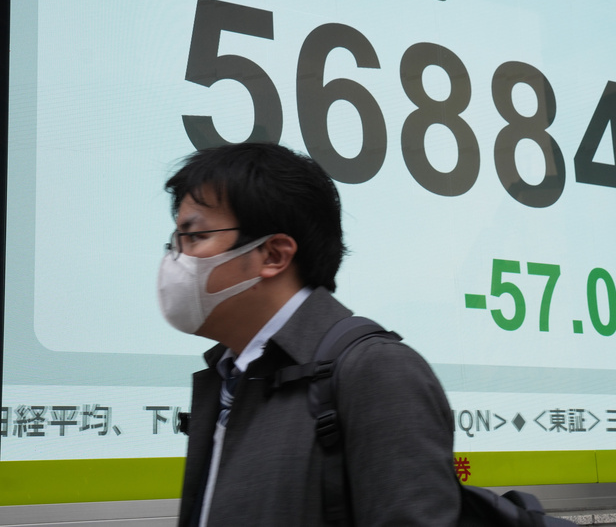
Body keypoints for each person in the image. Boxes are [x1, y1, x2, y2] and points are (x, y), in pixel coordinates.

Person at [158, 142, 461, 526]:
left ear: (273, 255)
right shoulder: (230, 375)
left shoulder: (377, 369)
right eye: (175, 242)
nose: (175, 259)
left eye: (195, 236)